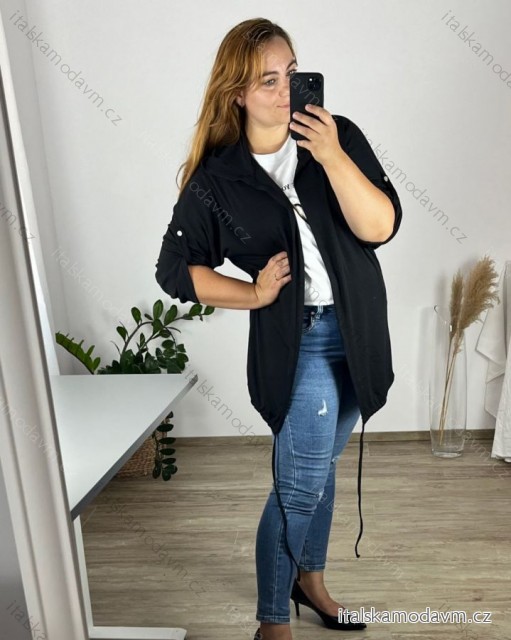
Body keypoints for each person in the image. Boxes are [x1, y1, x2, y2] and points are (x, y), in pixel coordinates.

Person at [155, 17, 402, 640]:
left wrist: (333, 156)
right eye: (269, 80)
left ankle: (309, 581)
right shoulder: (220, 179)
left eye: (292, 72)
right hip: (302, 342)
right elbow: (175, 270)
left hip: (359, 332)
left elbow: (379, 227)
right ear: (237, 93)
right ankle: (272, 622)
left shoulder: (337, 137)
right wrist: (254, 293)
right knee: (297, 486)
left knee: (321, 472)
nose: (287, 89)